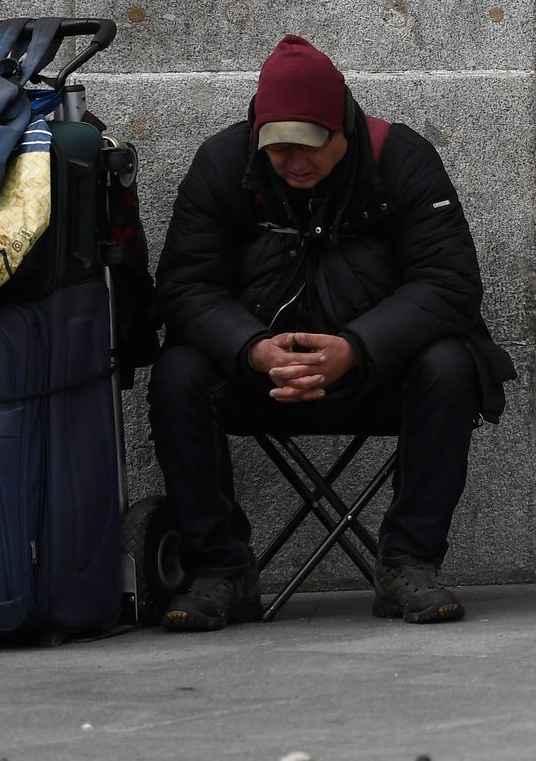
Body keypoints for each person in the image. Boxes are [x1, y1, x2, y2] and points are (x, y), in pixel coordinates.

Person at [149, 33, 515, 631]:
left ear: (343, 126)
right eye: (278, 148)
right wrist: (252, 350)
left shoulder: (403, 159)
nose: (295, 162)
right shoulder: (221, 165)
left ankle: (409, 565)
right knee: (178, 372)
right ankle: (220, 571)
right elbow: (185, 288)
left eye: (311, 145)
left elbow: (450, 283)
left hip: (374, 375)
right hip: (259, 377)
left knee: (450, 365)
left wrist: (357, 349)